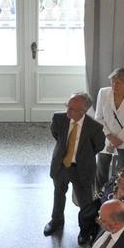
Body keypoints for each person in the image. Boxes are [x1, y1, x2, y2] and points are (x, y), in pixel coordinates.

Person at [46, 93, 106, 237]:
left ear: (82, 111)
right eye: (68, 106)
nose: (68, 111)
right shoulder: (59, 119)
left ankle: (85, 229)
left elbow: (98, 146)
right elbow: (56, 135)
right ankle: (56, 220)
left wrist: (83, 155)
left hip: (82, 168)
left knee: (85, 200)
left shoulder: (94, 127)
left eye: (72, 109)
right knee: (58, 193)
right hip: (61, 165)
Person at [89, 67, 124, 176]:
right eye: (112, 81)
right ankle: (101, 192)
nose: (114, 85)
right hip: (105, 137)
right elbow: (98, 117)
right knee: (101, 170)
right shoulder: (103, 93)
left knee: (123, 173)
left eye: (118, 82)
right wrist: (109, 136)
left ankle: (119, 192)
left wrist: (114, 143)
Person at [77, 167, 124, 247]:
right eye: (121, 175)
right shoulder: (114, 180)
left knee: (102, 236)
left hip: (117, 221)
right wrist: (100, 211)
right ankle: (84, 234)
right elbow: (102, 193)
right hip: (103, 206)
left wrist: (107, 223)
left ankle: (96, 244)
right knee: (84, 214)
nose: (119, 178)